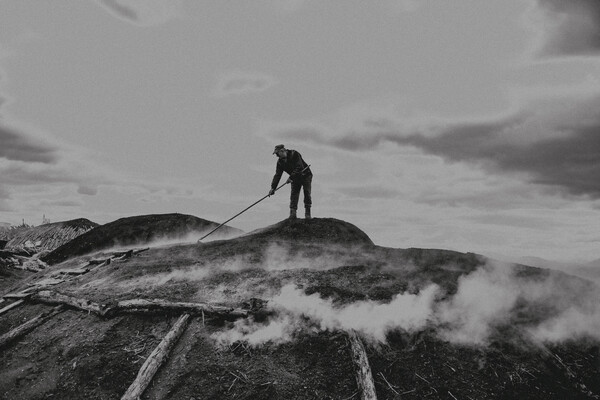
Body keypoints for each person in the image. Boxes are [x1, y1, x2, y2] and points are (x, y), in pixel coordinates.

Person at [268, 144, 313, 219]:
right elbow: (277, 175)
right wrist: (273, 188)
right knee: (294, 194)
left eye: (277, 154)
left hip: (306, 175)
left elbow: (299, 167)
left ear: (282, 151)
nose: (277, 156)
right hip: (295, 178)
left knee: (306, 192)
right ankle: (293, 214)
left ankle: (307, 214)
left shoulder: (294, 154)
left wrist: (291, 177)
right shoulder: (280, 162)